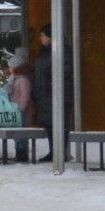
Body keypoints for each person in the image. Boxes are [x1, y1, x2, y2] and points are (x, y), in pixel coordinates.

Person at [33, 24, 73, 162]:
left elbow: (67, 69)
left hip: (56, 94)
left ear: (50, 36)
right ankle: (53, 152)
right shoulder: (44, 52)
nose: (40, 38)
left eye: (42, 35)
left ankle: (60, 153)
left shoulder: (63, 50)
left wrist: (52, 74)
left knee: (59, 124)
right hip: (45, 93)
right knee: (50, 124)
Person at [4, 47, 34, 160]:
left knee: (21, 133)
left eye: (11, 66)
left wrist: (21, 109)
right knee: (16, 132)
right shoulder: (13, 79)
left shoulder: (23, 80)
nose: (9, 69)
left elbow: (25, 96)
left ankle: (22, 152)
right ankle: (19, 151)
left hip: (20, 110)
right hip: (13, 109)